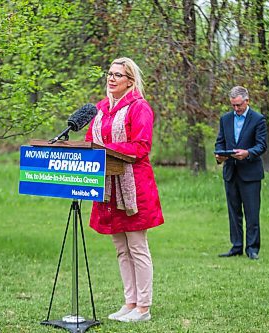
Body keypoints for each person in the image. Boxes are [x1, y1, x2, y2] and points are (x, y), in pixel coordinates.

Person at [85, 57, 164, 322]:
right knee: (121, 248)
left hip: (133, 186)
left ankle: (144, 307)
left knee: (137, 247)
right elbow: (90, 141)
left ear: (130, 81)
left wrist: (107, 151)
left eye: (118, 75)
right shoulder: (100, 109)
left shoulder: (139, 108)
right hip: (108, 186)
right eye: (109, 73)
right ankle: (129, 302)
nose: (111, 78)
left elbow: (141, 146)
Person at [214, 86, 267, 260]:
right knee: (234, 211)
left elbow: (261, 145)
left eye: (239, 105)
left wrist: (248, 153)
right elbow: (220, 142)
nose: (236, 109)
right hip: (231, 172)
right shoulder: (225, 119)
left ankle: (252, 248)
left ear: (247, 101)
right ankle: (236, 246)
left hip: (250, 174)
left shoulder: (258, 119)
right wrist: (219, 156)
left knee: (251, 212)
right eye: (233, 106)